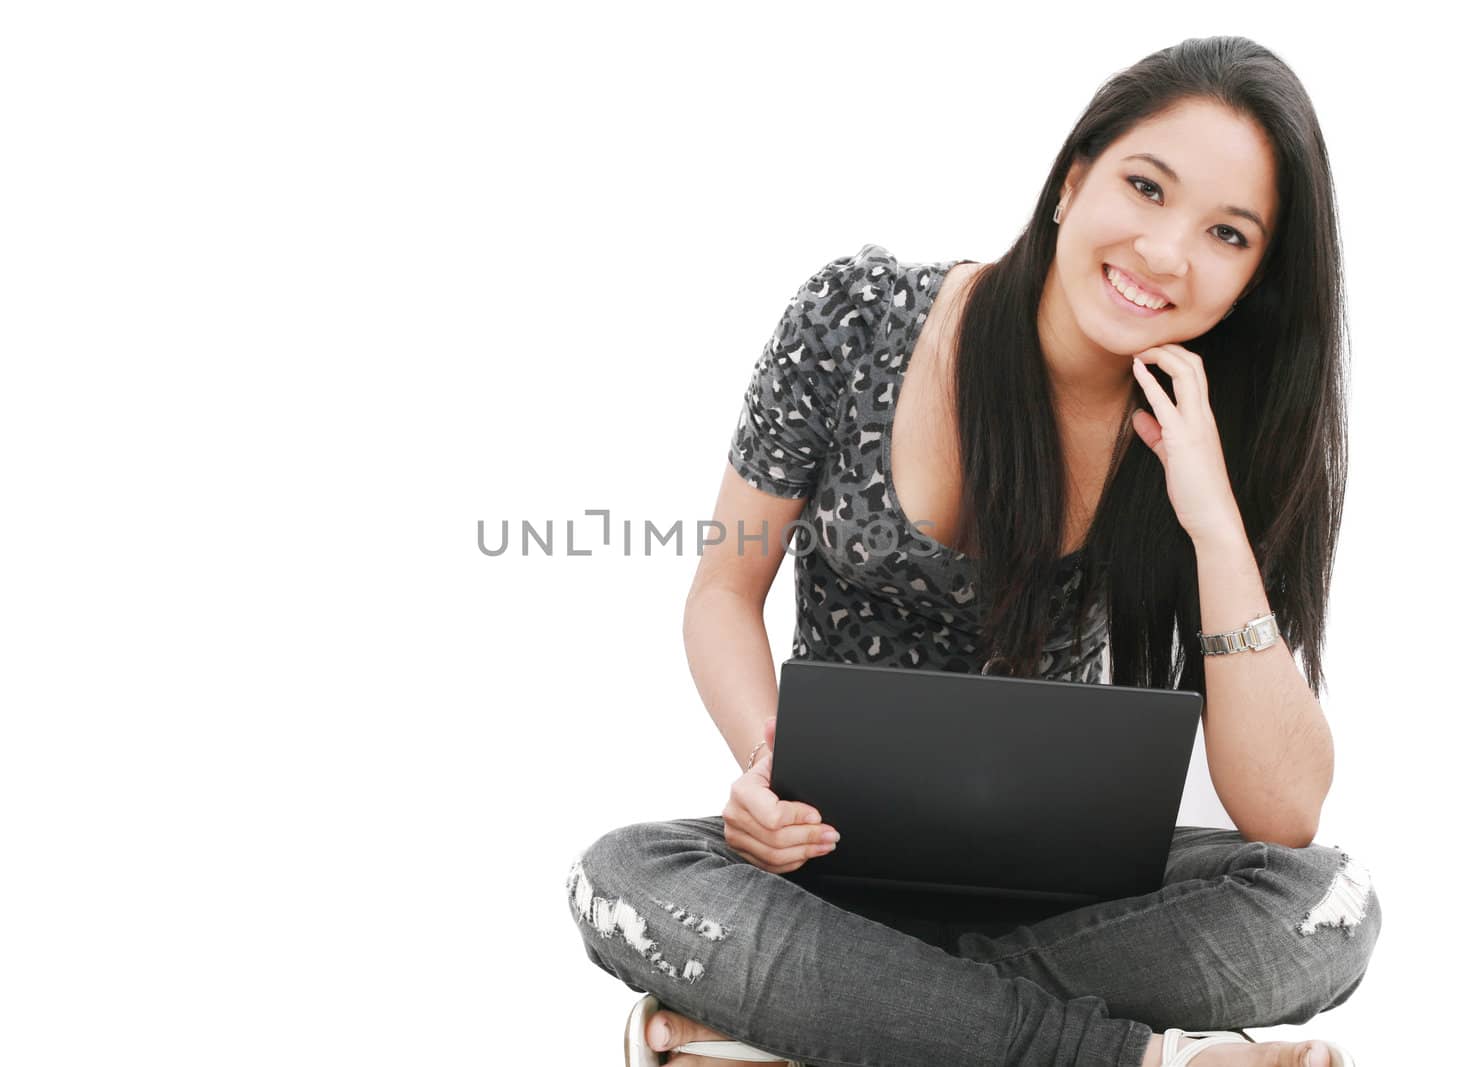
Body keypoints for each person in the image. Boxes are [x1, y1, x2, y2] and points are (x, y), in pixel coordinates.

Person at [564, 35, 1380, 1067]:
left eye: (1225, 232)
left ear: (1255, 277)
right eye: (1144, 186)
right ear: (1072, 179)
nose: (1166, 252)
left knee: (1327, 906)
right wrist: (767, 769)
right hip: (827, 856)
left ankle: (799, 1019)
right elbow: (722, 590)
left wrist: (1212, 515)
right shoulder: (854, 320)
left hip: (1064, 890)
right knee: (621, 873)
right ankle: (1134, 1059)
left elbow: (1284, 809)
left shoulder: (1210, 429)